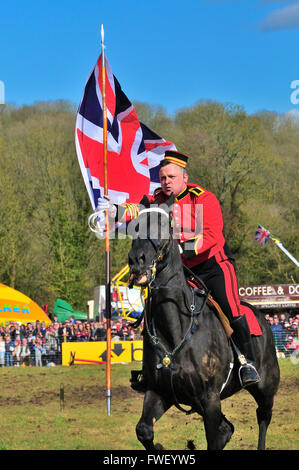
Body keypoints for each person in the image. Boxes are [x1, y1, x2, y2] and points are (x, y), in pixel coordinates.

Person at [97, 150, 260, 389]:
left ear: (185, 178)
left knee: (231, 308)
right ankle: (149, 371)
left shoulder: (204, 199)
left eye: (171, 177)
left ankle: (248, 363)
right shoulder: (157, 200)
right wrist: (114, 211)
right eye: (163, 178)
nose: (166, 182)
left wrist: (180, 247)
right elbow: (137, 210)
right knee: (155, 309)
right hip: (182, 271)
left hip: (213, 267)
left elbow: (212, 236)